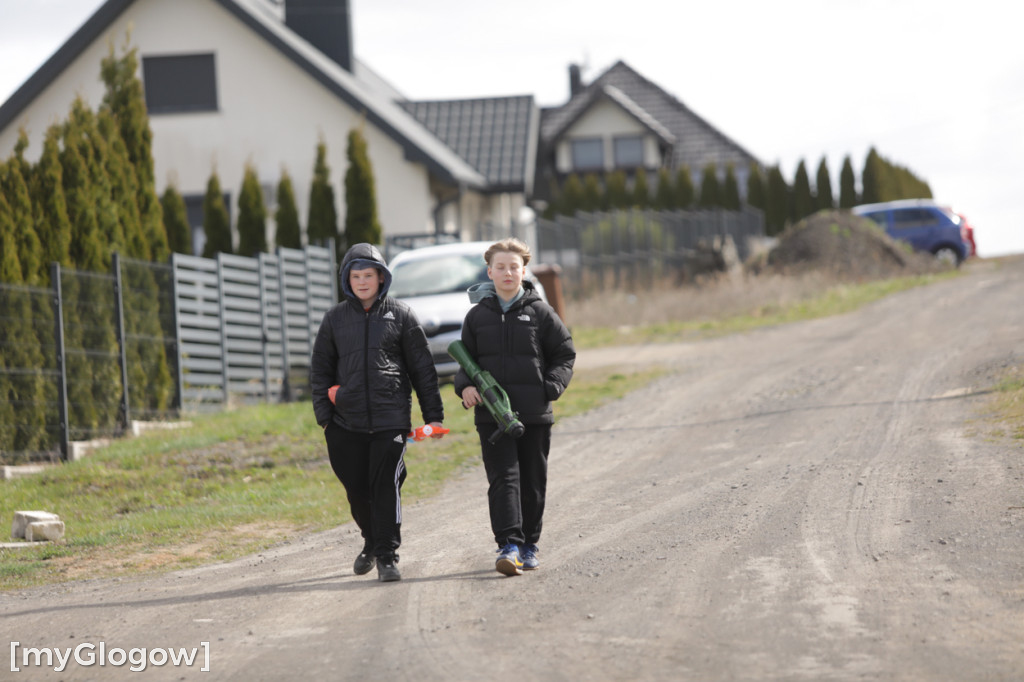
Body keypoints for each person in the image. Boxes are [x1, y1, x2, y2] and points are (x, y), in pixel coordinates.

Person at [311, 243, 445, 582]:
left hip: (391, 420)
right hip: (345, 423)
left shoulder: (401, 315)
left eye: (368, 275)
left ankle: (387, 555)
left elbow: (423, 370)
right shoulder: (334, 320)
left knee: (386, 485)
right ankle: (370, 540)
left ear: (381, 277)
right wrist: (325, 419)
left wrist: (433, 416)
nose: (362, 282)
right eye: (355, 276)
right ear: (346, 280)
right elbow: (320, 372)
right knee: (356, 489)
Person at [454, 238, 575, 576]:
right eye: (501, 267)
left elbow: (565, 354)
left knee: (532, 480)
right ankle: (508, 544)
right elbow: (466, 360)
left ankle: (529, 545)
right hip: (492, 416)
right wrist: (464, 387)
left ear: (524, 271)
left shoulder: (540, 312)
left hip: (534, 413)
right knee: (503, 478)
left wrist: (550, 387)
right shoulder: (477, 317)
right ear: (489, 272)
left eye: (514, 267)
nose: (508, 272)